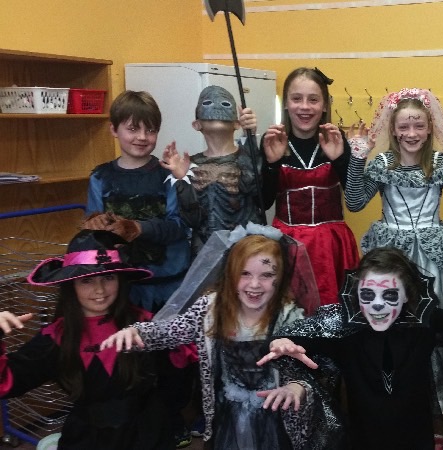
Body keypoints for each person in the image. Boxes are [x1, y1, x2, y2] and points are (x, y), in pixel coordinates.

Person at [260, 247, 443, 450]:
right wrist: (279, 342)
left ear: (406, 296)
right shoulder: (345, 332)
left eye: (390, 294)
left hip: (414, 430)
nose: (378, 304)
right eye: (368, 294)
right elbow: (294, 341)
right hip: (365, 434)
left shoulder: (421, 324)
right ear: (357, 293)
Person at [100, 225, 343, 449]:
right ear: (230, 273)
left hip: (275, 420)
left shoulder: (289, 317)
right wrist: (138, 332)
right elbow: (171, 330)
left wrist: (297, 386)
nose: (255, 284)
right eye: (244, 273)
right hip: (228, 417)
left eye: (267, 275)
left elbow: (315, 370)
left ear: (279, 278)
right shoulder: (210, 310)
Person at [345, 88, 443, 413]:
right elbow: (354, 202)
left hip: (431, 257)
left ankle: (432, 403)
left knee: (430, 324)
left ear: (430, 127)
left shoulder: (440, 164)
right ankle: (390, 393)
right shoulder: (383, 163)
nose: (411, 133)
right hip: (391, 257)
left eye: (419, 125)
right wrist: (357, 158)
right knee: (389, 321)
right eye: (404, 126)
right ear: (393, 129)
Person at [0, 230, 192, 449]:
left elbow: (179, 373)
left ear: (120, 280)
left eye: (108, 278)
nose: (99, 290)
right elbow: (6, 383)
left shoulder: (146, 324)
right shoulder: (57, 337)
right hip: (88, 439)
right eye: (87, 280)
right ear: (71, 285)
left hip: (149, 434)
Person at [83, 90, 191, 314]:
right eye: (133, 129)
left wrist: (139, 228)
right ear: (114, 129)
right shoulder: (100, 177)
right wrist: (96, 225)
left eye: (150, 130)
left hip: (168, 284)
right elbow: (93, 234)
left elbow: (179, 226)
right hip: (122, 285)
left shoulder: (168, 175)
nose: (142, 137)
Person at [261, 67, 359, 306]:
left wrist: (340, 160)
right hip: (287, 244)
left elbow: (355, 200)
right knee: (290, 310)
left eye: (313, 100)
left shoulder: (336, 140)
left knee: (333, 311)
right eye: (296, 98)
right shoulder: (272, 141)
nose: (304, 107)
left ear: (324, 105)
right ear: (286, 104)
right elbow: (263, 202)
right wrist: (271, 165)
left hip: (331, 247)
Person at [160, 85, 263, 257]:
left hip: (245, 251)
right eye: (208, 103)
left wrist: (249, 137)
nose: (216, 106)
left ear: (237, 124)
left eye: (224, 104)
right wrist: (182, 180)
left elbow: (254, 186)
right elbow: (191, 219)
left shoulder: (246, 156)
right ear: (196, 124)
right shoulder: (190, 164)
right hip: (204, 252)